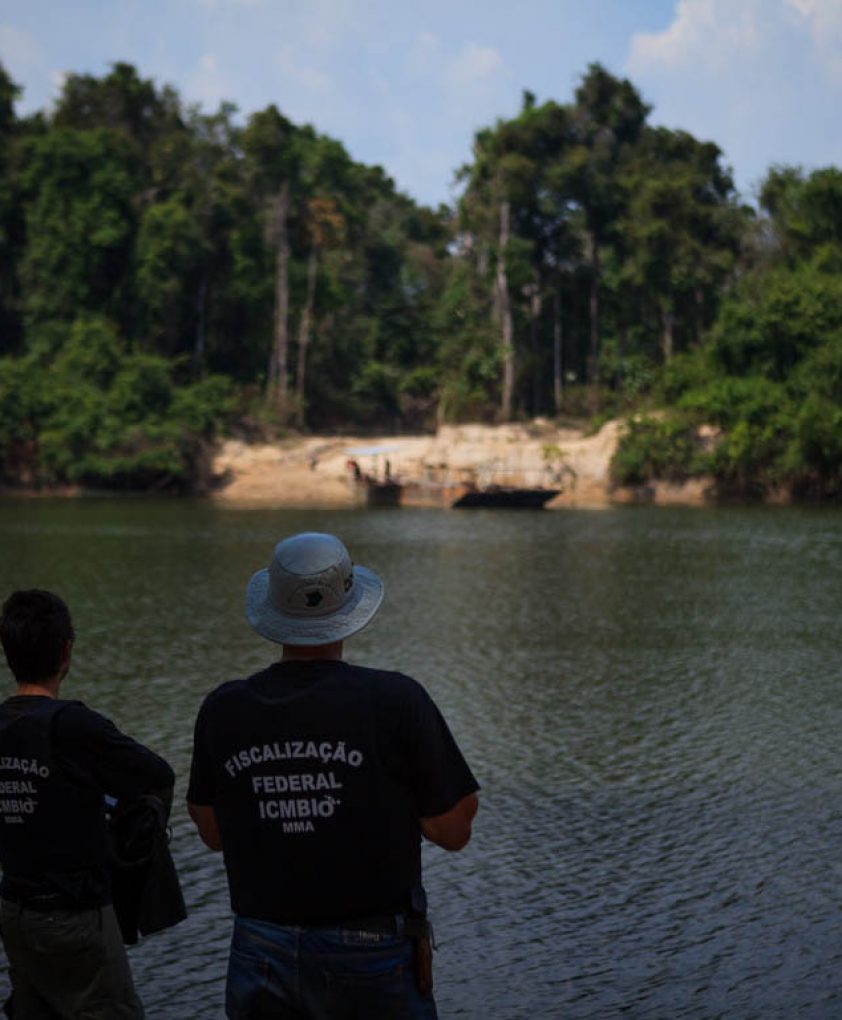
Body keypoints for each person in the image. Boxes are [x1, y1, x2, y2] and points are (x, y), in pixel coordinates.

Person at [187, 531, 479, 1019]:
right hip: (371, 951)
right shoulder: (396, 701)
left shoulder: (224, 708)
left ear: (274, 607)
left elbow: (212, 832)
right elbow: (453, 831)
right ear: (350, 607)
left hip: (261, 946)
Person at [0, 589, 175, 1019]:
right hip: (75, 914)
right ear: (66, 651)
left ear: (8, 654)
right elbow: (158, 775)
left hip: (14, 910)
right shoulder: (74, 725)